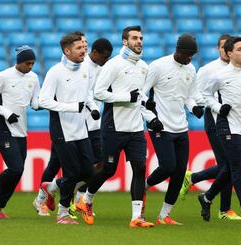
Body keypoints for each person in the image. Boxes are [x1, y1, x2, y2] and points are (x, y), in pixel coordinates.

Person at [77, 26, 163, 228]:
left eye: (141, 38)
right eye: (134, 38)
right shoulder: (113, 65)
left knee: (140, 168)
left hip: (135, 128)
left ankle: (136, 218)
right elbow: (98, 93)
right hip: (113, 126)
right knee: (108, 170)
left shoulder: (143, 66)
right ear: (125, 41)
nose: (139, 41)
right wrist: (126, 97)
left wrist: (150, 118)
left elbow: (140, 98)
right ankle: (86, 199)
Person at [33, 37, 113, 217]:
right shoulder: (55, 72)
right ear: (67, 51)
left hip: (81, 128)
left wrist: (92, 108)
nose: (83, 50)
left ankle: (50, 187)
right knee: (71, 172)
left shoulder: (85, 68)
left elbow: (88, 94)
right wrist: (71, 107)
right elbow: (43, 100)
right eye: (78, 48)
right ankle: (63, 213)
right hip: (62, 129)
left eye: (84, 47)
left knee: (88, 172)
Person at [198, 36, 241, 224]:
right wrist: (218, 108)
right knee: (238, 169)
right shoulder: (219, 75)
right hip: (226, 125)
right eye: (239, 49)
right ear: (229, 53)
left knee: (229, 167)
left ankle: (207, 197)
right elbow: (205, 94)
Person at [179, 34, 241, 221]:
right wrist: (214, 105)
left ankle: (193, 179)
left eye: (228, 47)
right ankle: (224, 209)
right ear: (219, 49)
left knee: (228, 165)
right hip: (215, 120)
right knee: (230, 165)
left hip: (233, 121)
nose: (225, 50)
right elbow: (197, 94)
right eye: (222, 47)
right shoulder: (208, 70)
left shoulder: (238, 70)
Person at [142, 33, 204, 225]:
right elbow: (141, 95)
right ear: (179, 51)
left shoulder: (190, 69)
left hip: (181, 127)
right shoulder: (158, 66)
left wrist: (193, 107)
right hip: (161, 125)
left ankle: (164, 216)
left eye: (192, 56)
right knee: (168, 166)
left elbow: (189, 96)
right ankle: (142, 186)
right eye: (188, 55)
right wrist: (151, 119)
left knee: (179, 173)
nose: (190, 59)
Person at [0, 45, 40, 218]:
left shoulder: (34, 78)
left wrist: (47, 104)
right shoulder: (3, 76)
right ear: (19, 62)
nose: (30, 67)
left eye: (33, 63)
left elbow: (35, 102)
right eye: (28, 63)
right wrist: (7, 113)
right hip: (3, 128)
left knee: (17, 172)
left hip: (21, 130)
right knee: (16, 168)